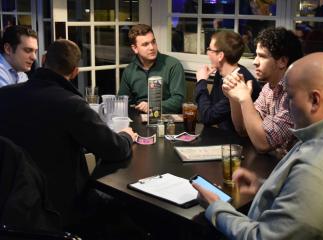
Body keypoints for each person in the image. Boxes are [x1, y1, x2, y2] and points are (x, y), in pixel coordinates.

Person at [193, 52, 323, 239]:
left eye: (290, 97)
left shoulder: (315, 170)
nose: (287, 105)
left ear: (315, 100)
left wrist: (216, 207)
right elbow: (304, 202)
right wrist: (267, 187)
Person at [0, 39, 138, 230]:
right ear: (75, 72)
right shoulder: (71, 104)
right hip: (59, 208)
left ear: (43, 59)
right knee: (128, 214)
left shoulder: (5, 96)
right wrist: (127, 135)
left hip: (9, 205)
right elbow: (113, 149)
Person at [223, 27, 303, 154]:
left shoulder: (295, 95)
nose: (255, 62)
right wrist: (234, 96)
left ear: (282, 61)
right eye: (256, 55)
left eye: (262, 56)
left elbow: (263, 143)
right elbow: (243, 129)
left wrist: (244, 98)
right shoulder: (268, 88)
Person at [195, 30, 261, 131]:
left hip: (240, 142)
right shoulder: (221, 73)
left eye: (209, 49)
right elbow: (210, 109)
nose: (207, 52)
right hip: (223, 137)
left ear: (220, 56)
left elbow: (208, 117)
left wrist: (201, 82)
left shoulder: (238, 82)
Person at [118, 24, 186, 113]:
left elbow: (178, 101)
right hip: (139, 118)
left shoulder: (173, 65)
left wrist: (152, 106)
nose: (152, 47)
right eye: (145, 44)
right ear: (135, 48)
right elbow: (122, 102)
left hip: (165, 119)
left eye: (153, 42)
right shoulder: (129, 70)